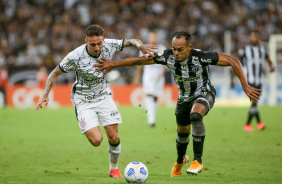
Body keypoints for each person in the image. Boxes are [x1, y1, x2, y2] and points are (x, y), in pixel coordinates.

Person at [94, 31, 261, 177]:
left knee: (195, 115)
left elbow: (234, 61)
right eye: (174, 48)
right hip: (184, 98)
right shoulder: (168, 56)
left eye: (180, 49)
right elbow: (140, 61)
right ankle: (181, 160)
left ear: (189, 48)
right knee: (182, 133)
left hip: (205, 93)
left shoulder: (200, 56)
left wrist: (245, 86)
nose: (176, 52)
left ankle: (197, 161)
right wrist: (113, 64)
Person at [35, 24, 157, 178]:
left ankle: (114, 169)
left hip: (104, 97)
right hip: (83, 100)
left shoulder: (109, 45)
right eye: (93, 45)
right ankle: (86, 119)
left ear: (103, 40)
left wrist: (142, 46)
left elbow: (132, 41)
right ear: (86, 42)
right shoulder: (75, 55)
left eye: (99, 43)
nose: (97, 47)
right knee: (97, 140)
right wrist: (45, 95)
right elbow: (55, 73)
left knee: (114, 137)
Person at [231, 31, 275, 132]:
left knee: (254, 103)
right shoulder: (245, 50)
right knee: (254, 102)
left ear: (259, 38)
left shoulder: (263, 50)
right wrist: (232, 78)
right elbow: (237, 64)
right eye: (252, 37)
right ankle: (259, 123)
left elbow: (269, 61)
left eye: (255, 37)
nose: (253, 39)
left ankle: (249, 124)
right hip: (249, 80)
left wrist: (272, 66)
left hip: (260, 80)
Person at [133, 32, 167, 127]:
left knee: (155, 97)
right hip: (148, 74)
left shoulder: (162, 47)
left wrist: (163, 71)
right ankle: (151, 120)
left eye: (155, 36)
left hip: (159, 74)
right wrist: (137, 77)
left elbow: (165, 62)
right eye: (152, 36)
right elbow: (139, 64)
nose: (154, 38)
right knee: (149, 94)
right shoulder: (144, 48)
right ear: (148, 38)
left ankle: (152, 117)